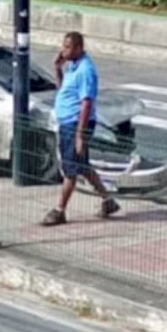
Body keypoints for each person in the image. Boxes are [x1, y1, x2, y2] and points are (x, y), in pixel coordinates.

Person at [41, 32, 120, 225]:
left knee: (71, 169)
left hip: (75, 124)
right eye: (63, 46)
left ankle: (60, 210)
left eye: (68, 47)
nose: (63, 50)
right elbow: (63, 90)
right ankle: (108, 199)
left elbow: (86, 103)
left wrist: (79, 134)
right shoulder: (71, 66)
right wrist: (58, 68)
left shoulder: (86, 70)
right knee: (82, 164)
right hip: (67, 121)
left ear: (78, 48)